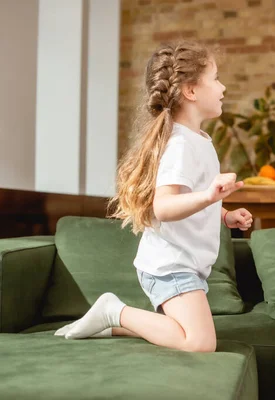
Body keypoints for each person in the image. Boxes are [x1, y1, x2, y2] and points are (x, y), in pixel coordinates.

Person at [55, 42, 253, 352]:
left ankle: (116, 325)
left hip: (184, 264)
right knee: (199, 344)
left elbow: (189, 199)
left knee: (187, 335)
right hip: (171, 265)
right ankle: (114, 310)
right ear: (190, 91)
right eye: (215, 78)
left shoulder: (198, 139)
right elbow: (163, 207)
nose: (223, 87)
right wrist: (208, 195)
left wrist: (224, 213)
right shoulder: (180, 145)